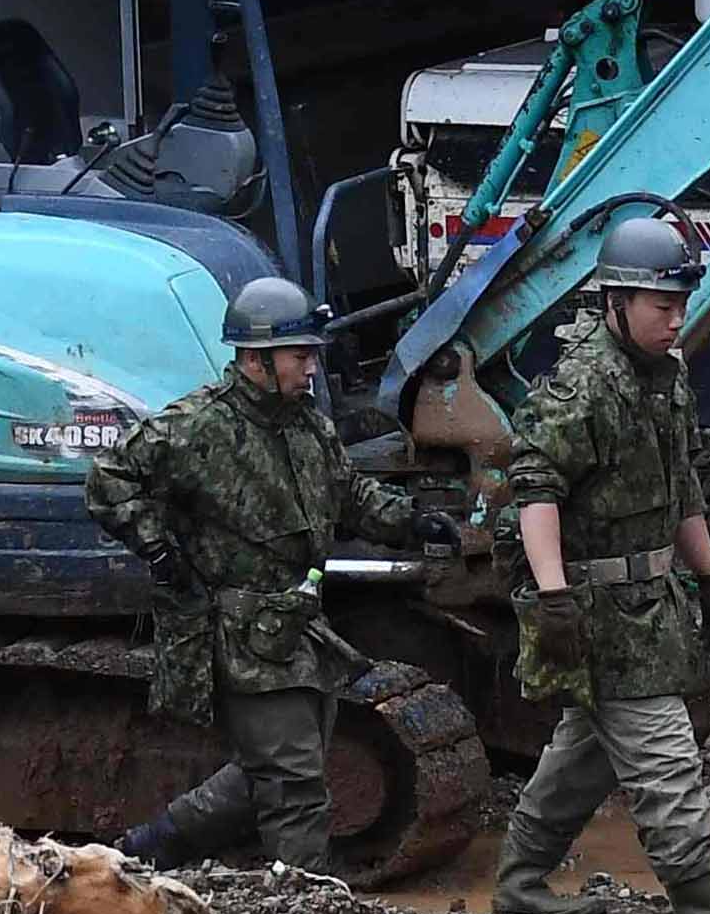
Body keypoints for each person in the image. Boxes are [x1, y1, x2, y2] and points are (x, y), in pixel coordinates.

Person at [489, 213, 710, 914]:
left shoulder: (668, 376)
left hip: (653, 603)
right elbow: (535, 491)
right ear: (615, 302)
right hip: (593, 606)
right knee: (664, 755)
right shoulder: (584, 384)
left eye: (683, 302)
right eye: (662, 305)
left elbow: (679, 487)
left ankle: (519, 878)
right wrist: (554, 599)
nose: (676, 318)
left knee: (585, 752)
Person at [87, 276, 453, 873]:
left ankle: (152, 846)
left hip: (296, 625)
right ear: (257, 359)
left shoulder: (305, 424)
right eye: (300, 355)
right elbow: (109, 479)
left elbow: (347, 492)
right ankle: (305, 909)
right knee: (294, 783)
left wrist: (412, 522)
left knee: (272, 770)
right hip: (239, 632)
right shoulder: (199, 425)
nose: (311, 367)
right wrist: (160, 553)